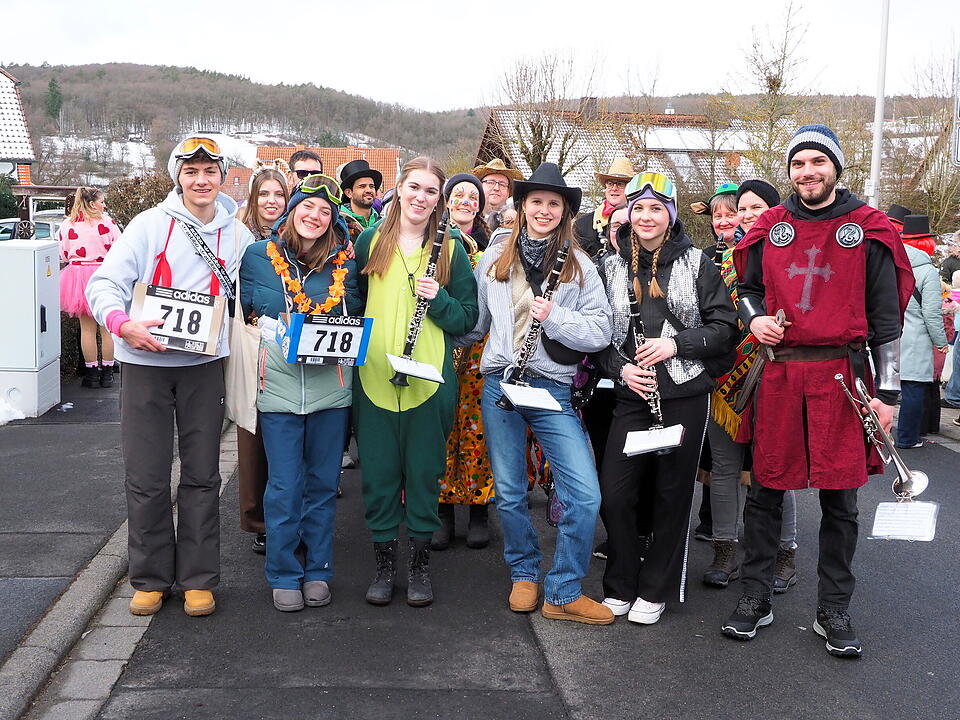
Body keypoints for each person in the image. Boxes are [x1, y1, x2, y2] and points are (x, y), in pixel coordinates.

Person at [722, 125, 913, 657]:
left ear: (836, 167)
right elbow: (747, 290)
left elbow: (886, 319)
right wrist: (755, 319)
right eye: (799, 163)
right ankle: (756, 596)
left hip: (842, 376)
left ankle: (833, 608)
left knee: (840, 498)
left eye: (818, 162)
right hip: (780, 374)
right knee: (765, 492)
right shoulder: (770, 226)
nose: (808, 172)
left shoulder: (868, 228)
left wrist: (889, 395)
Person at [86, 135, 254, 617]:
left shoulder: (237, 235)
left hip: (203, 367)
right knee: (146, 475)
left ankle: (198, 578)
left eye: (209, 171)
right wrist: (122, 324)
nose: (200, 181)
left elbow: (254, 294)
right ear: (177, 177)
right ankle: (151, 577)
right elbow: (103, 283)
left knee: (202, 474)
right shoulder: (148, 224)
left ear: (222, 176)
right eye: (191, 172)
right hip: (145, 366)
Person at [459, 162, 614, 625]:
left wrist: (556, 317)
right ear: (522, 206)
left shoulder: (580, 266)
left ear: (565, 211)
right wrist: (435, 321)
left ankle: (563, 590)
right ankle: (524, 573)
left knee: (584, 495)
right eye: (536, 202)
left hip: (552, 390)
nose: (544, 210)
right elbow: (478, 324)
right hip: (501, 384)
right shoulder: (495, 256)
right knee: (509, 492)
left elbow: (601, 331)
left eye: (553, 204)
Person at [593, 171, 737, 625]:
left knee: (671, 494)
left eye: (657, 208)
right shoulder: (609, 266)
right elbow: (597, 339)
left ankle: (654, 589)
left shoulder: (698, 264)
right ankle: (620, 583)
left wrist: (676, 345)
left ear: (671, 215)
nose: (646, 216)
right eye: (638, 207)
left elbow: (725, 328)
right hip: (632, 394)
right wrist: (621, 370)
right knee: (615, 494)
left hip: (684, 393)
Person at [353, 157, 479, 607]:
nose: (421, 198)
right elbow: (354, 302)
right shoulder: (369, 241)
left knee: (425, 474)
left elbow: (467, 318)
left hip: (429, 379)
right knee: (379, 475)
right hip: (373, 376)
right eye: (414, 187)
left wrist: (439, 299)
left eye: (430, 191)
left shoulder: (452, 250)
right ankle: (384, 567)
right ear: (400, 188)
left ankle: (420, 567)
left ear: (438, 199)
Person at [240, 174, 360, 611]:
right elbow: (242, 313)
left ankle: (319, 569)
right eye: (308, 206)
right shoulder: (257, 257)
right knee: (284, 486)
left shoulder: (345, 265)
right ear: (291, 212)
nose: (315, 216)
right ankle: (284, 571)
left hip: (332, 391)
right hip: (278, 391)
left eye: (325, 211)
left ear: (334, 221)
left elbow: (357, 315)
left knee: (323, 485)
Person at [733, 180, 800, 593]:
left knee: (777, 466)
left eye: (755, 207)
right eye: (742, 208)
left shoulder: (782, 248)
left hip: (775, 368)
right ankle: (741, 549)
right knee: (744, 472)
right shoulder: (721, 255)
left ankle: (786, 550)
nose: (746, 215)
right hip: (731, 377)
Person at [236, 162, 292, 555]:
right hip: (253, 346)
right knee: (253, 437)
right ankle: (259, 519)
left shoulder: (298, 235)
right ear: (254, 199)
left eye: (279, 194)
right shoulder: (240, 238)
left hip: (289, 349)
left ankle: (287, 514)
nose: (271, 202)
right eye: (264, 194)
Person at [435, 173, 493, 550]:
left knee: (477, 428)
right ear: (447, 201)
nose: (466, 201)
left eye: (474, 196)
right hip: (441, 341)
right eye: (459, 194)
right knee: (441, 425)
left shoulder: (493, 245)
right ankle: (440, 508)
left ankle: (478, 509)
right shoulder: (433, 241)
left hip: (480, 351)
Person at [58, 186, 121, 388]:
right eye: (102, 202)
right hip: (104, 274)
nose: (104, 205)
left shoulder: (68, 224)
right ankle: (108, 374)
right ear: (93, 204)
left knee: (87, 329)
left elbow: (63, 254)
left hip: (77, 277)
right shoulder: (108, 223)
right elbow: (120, 249)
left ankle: (92, 375)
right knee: (107, 328)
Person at [896, 215, 949, 448]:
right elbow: (931, 313)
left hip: (890, 334)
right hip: (915, 338)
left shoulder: (892, 263)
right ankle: (908, 438)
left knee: (883, 386)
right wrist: (941, 341)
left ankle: (875, 435)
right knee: (913, 388)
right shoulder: (928, 272)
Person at [574, 158, 635, 258]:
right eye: (610, 184)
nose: (614, 188)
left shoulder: (641, 222)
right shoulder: (582, 225)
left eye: (620, 184)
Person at [472, 158, 523, 232]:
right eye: (490, 182)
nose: (496, 188)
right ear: (480, 187)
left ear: (508, 191)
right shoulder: (468, 218)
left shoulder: (519, 222)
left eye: (502, 184)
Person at [339, 159, 383, 239]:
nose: (369, 190)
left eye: (371, 186)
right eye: (362, 186)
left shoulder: (383, 224)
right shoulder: (338, 223)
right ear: (349, 193)